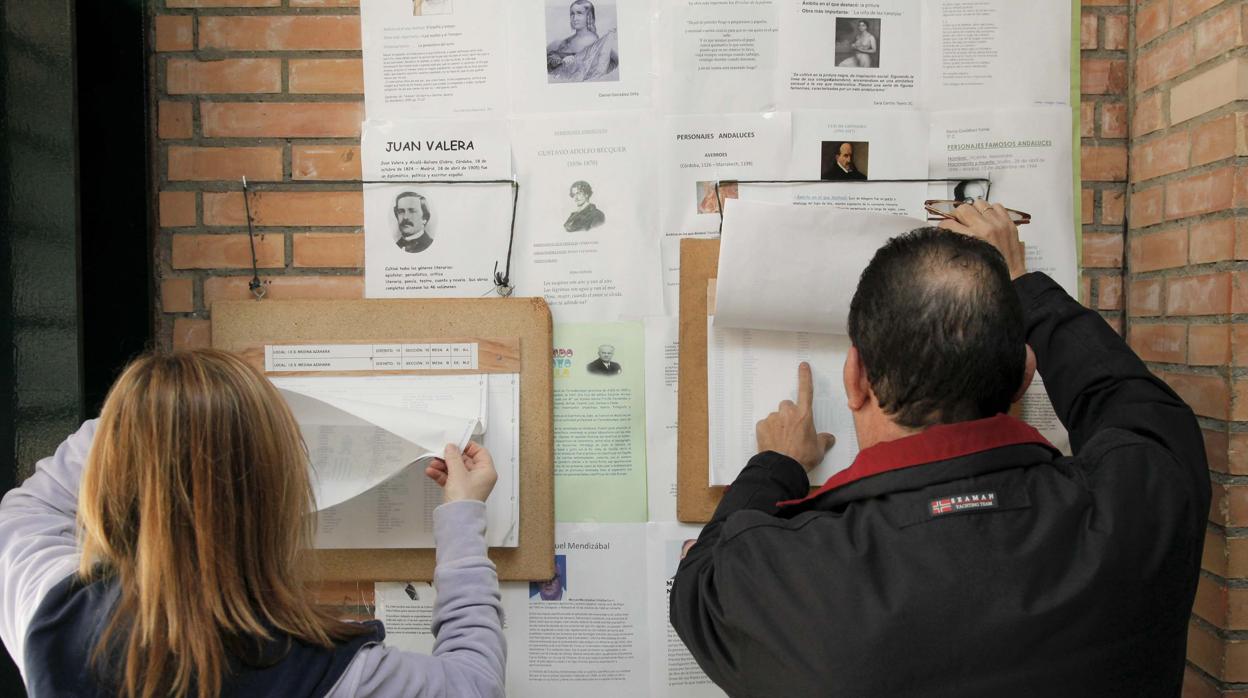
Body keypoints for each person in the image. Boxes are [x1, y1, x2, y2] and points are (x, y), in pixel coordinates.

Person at [670, 201, 1210, 696]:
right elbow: (1127, 398)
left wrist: (777, 463)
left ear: (855, 377)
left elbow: (696, 581)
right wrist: (1021, 284)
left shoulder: (785, 581)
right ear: (1026, 375)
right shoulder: (1142, 506)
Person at [0, 350, 505, 698]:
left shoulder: (50, 612)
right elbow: (472, 683)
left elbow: (30, 509)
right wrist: (462, 516)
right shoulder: (319, 673)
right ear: (272, 498)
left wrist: (154, 414)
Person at [547, 0, 619, 83]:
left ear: (589, 16)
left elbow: (598, 70)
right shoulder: (567, 41)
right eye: (572, 14)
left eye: (579, 13)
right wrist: (561, 61)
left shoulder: (595, 41)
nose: (574, 18)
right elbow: (552, 57)